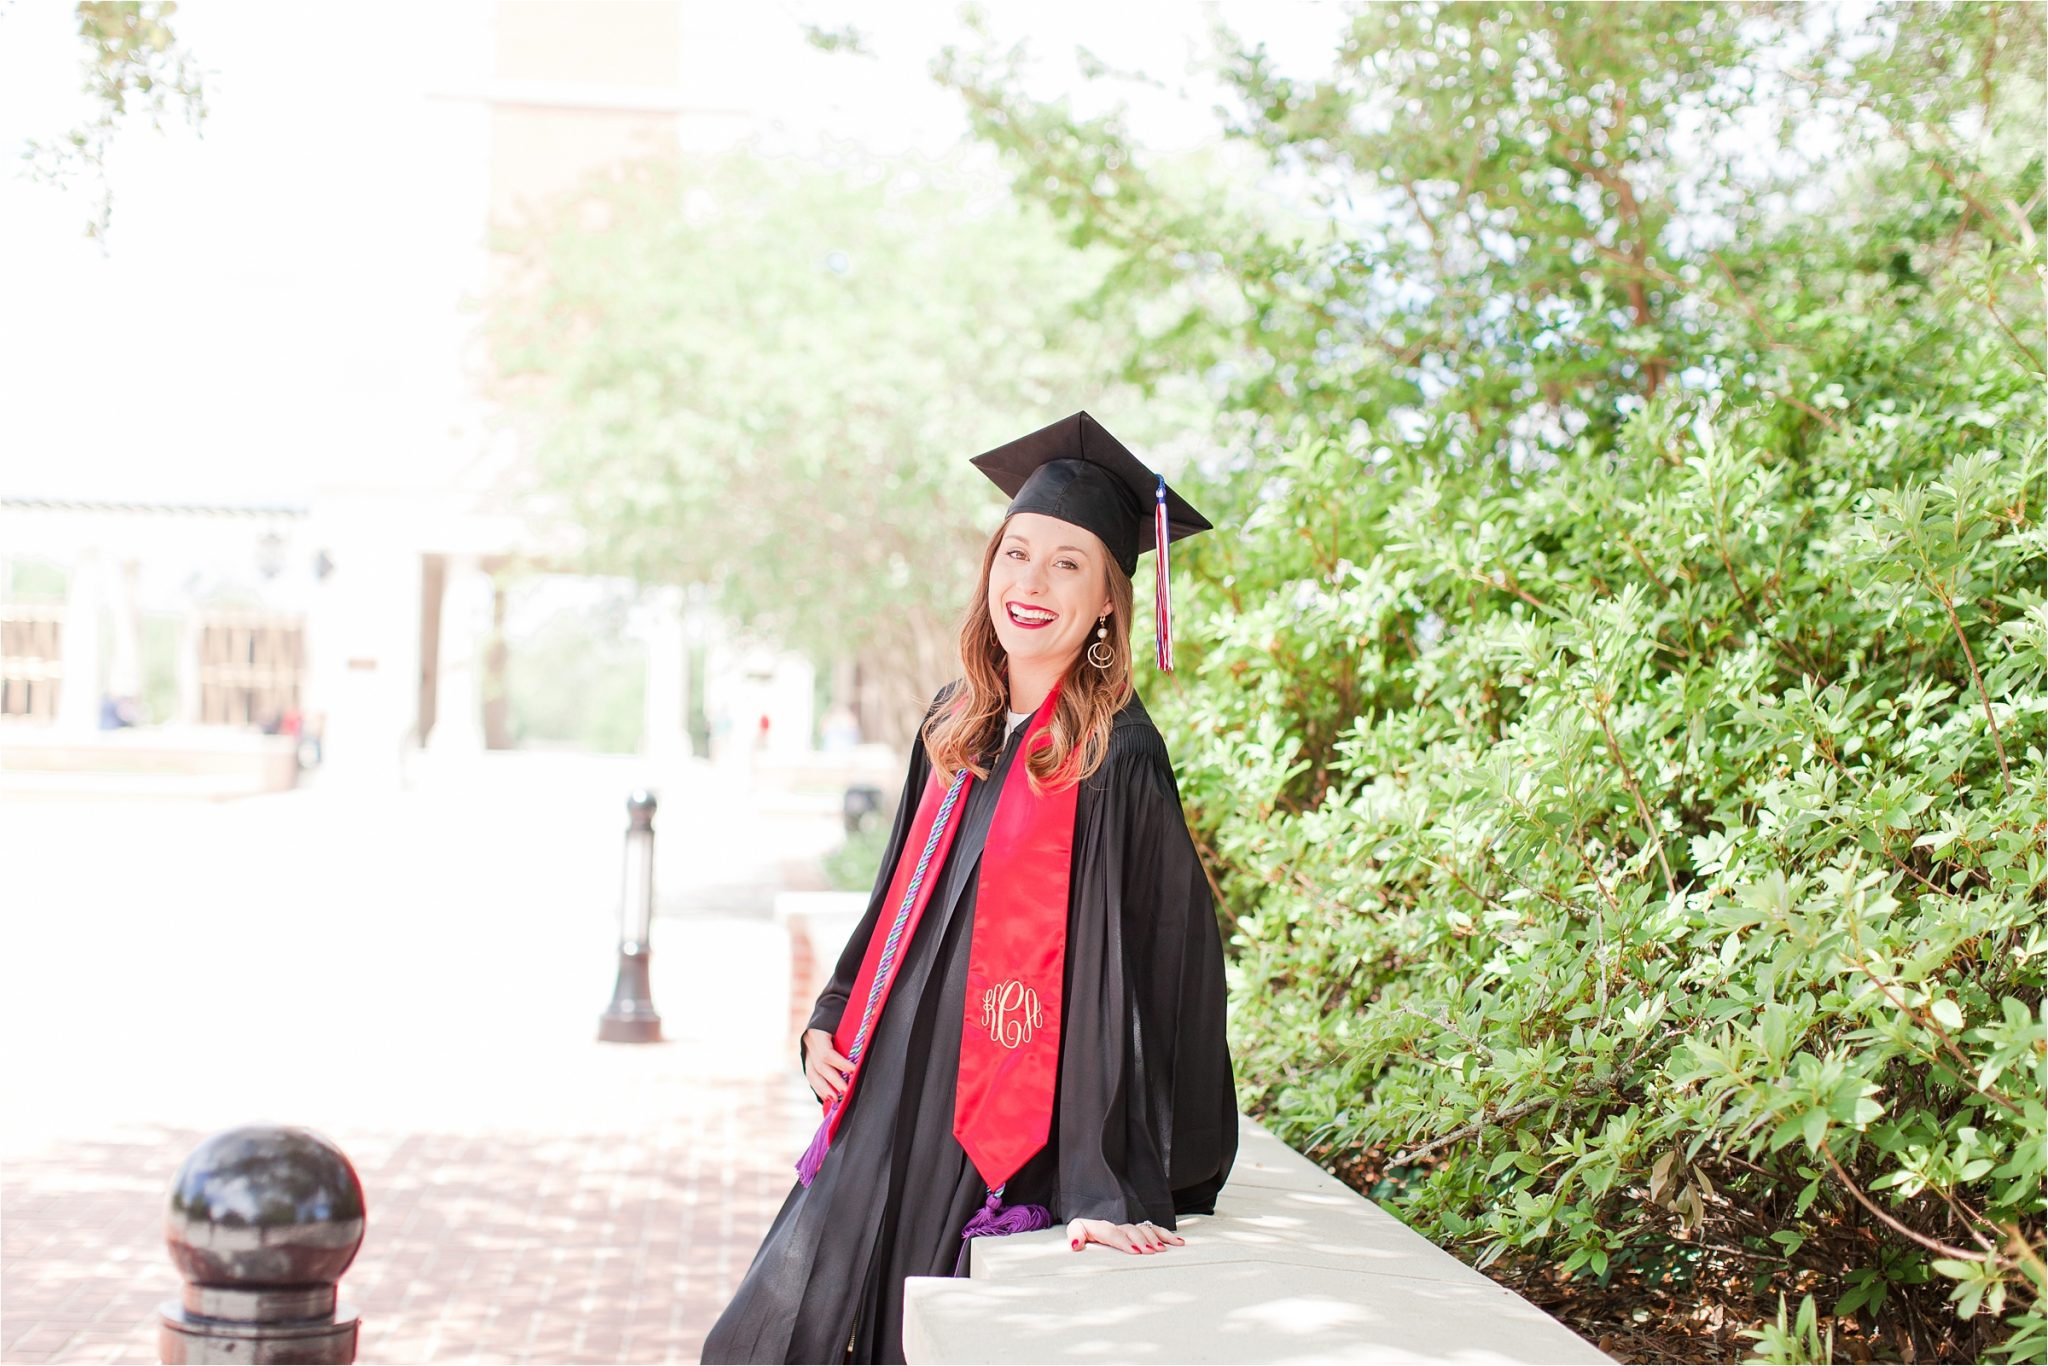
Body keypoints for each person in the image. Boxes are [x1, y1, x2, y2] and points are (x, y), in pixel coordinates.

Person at [701, 411, 1237, 1365]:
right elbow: (897, 885)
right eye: (1016, 553)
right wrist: (834, 1007)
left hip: (1001, 1119)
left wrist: (1101, 1184)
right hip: (893, 1080)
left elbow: (1139, 972)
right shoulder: (958, 720)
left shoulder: (1112, 758)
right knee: (783, 1330)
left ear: (1111, 601)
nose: (1031, 584)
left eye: (1069, 565)